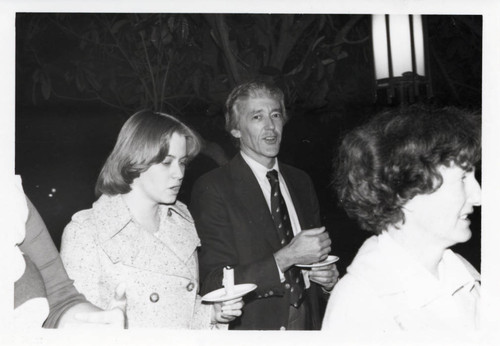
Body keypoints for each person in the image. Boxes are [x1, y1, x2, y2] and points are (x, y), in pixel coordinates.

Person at [60, 110, 243, 329]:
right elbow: (75, 327)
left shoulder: (180, 224)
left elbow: (180, 309)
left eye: (182, 162)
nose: (179, 173)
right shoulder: (87, 231)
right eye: (167, 162)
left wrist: (211, 314)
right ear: (135, 161)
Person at [190, 81, 339, 330]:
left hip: (308, 326)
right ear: (236, 130)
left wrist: (327, 279)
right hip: (255, 329)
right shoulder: (214, 188)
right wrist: (286, 258)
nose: (270, 126)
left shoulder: (301, 181)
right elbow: (214, 281)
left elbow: (314, 258)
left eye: (276, 115)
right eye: (257, 117)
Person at [322, 106, 481, 332]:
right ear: (407, 193)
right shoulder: (361, 307)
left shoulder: (460, 274)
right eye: (463, 179)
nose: (478, 197)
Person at [10, 175, 125, 329]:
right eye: (165, 163)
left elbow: (59, 299)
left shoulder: (10, 194)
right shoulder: (83, 228)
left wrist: (96, 326)